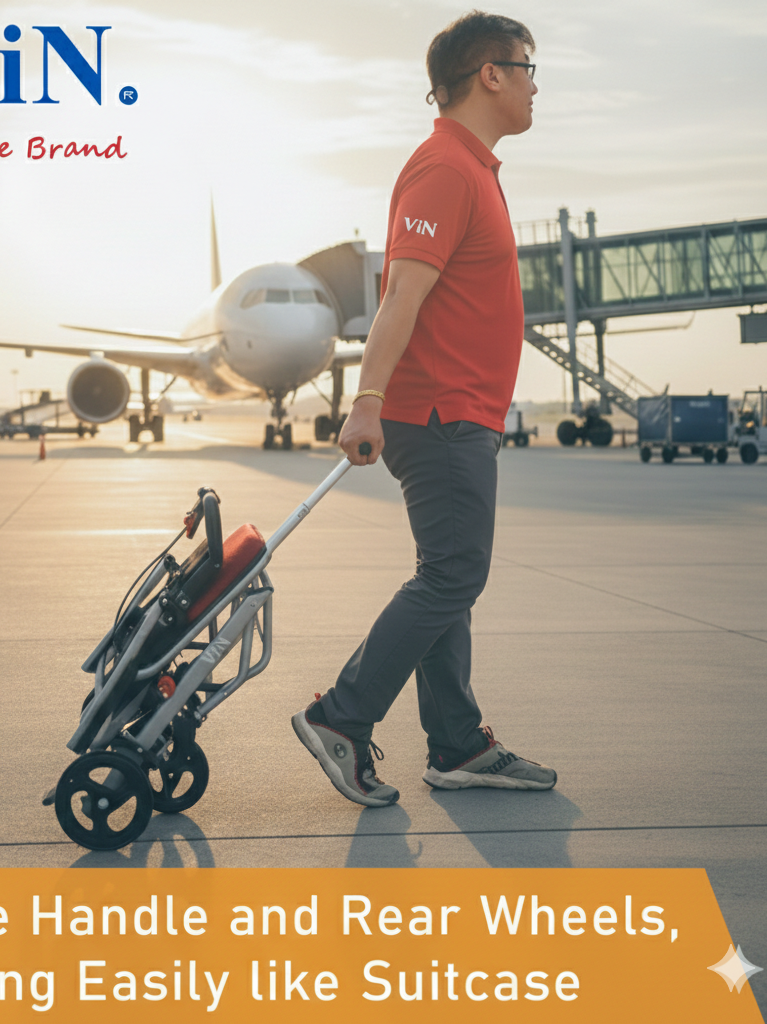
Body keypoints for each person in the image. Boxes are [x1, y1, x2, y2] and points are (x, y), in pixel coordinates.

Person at [292, 11, 556, 806]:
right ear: (492, 75)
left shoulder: (472, 168)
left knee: (448, 576)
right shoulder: (444, 167)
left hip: (457, 411)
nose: (538, 84)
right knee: (453, 573)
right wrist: (365, 401)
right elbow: (403, 293)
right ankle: (342, 716)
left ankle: (456, 745)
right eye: (530, 66)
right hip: (438, 413)